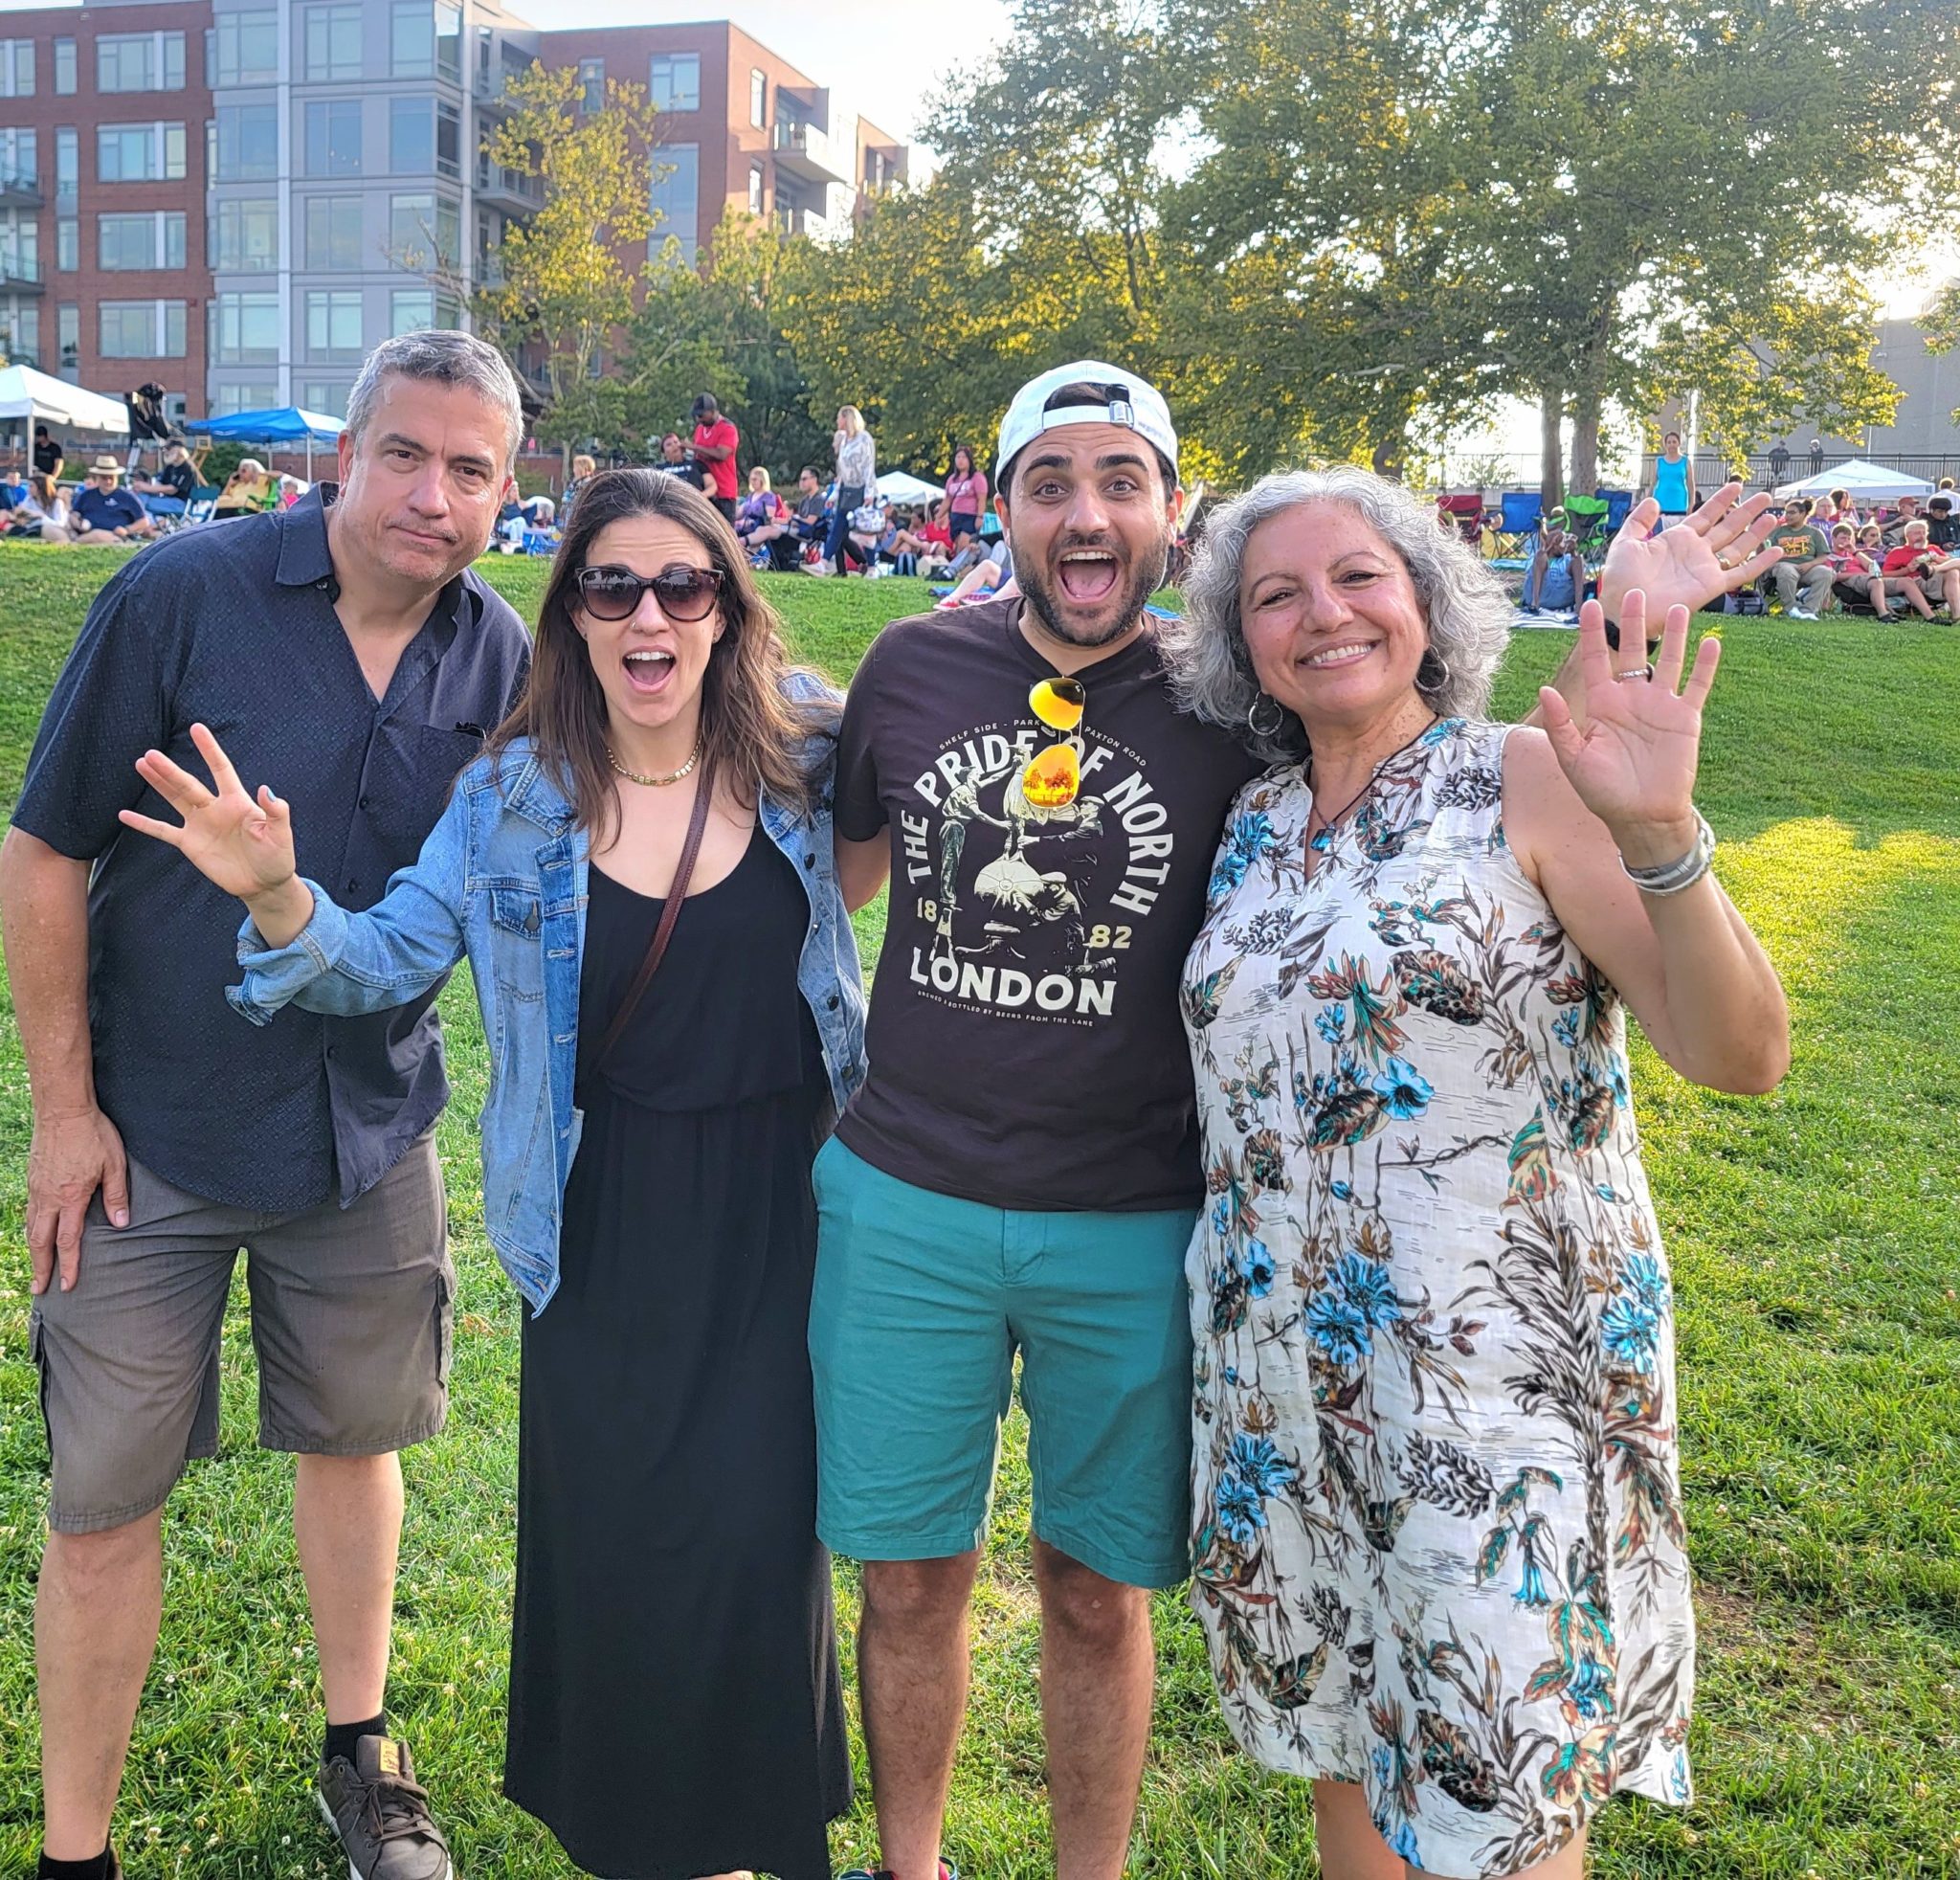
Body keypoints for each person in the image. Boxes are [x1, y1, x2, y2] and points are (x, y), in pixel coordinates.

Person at [121, 466, 865, 1880]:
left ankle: (768, 1835)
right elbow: (392, 958)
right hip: (594, 1212)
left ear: (724, 607)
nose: (648, 611)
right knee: (621, 1541)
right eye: (611, 586)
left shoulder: (810, 757)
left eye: (681, 585)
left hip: (787, 1206)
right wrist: (278, 895)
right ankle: (653, 1846)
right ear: (571, 615)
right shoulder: (514, 798)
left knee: (765, 1545)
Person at [1164, 467, 1789, 1878]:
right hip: (1286, 1397)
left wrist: (1661, 839)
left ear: (1427, 602)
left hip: (1495, 1406)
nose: (1323, 613)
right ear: (1240, 641)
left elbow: (1739, 1051)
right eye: (1277, 594)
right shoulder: (1255, 828)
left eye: (1358, 577)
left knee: (1498, 1808)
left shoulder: (1522, 775)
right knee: (1356, 1761)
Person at [0, 328, 534, 1880]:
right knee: (102, 1497)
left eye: (471, 469)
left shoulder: (494, 655)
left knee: (355, 1442)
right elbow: (44, 850)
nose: (432, 495)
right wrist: (63, 1108)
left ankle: (361, 1751)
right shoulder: (182, 596)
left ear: (506, 491)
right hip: (146, 1136)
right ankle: (77, 1850)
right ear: (341, 456)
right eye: (406, 455)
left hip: (367, 1137)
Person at [818, 364, 1266, 1880]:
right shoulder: (909, 668)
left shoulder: (1231, 706)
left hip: (1135, 1215)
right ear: (998, 506)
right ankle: (912, 1866)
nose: (1087, 513)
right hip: (907, 1201)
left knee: (1094, 1588)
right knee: (907, 1579)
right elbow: (846, 876)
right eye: (1051, 481)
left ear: (1169, 512)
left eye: (1121, 480)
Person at [819, 404, 876, 576]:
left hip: (861, 488)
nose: (837, 421)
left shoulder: (864, 438)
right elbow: (841, 472)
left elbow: (868, 466)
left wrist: (869, 492)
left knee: (865, 528)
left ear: (847, 418)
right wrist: (835, 493)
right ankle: (823, 562)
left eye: (840, 417)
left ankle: (872, 566)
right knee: (837, 527)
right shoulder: (844, 441)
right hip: (845, 489)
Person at [1763, 498, 1834, 616]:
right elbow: (1767, 551)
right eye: (1786, 512)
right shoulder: (1778, 532)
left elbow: (1824, 556)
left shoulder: (1814, 533)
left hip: (1808, 568)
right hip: (1784, 565)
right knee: (1786, 570)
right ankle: (1791, 609)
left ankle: (1809, 610)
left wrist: (1810, 564)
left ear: (1803, 514)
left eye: (1792, 513)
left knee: (1826, 573)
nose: (1788, 516)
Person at [67, 458, 158, 546]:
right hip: (84, 532)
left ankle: (72, 544)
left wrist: (127, 530)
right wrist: (76, 523)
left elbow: (143, 521)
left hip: (115, 537)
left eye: (111, 477)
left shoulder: (127, 496)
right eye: (104, 478)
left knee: (97, 535)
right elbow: (75, 513)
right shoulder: (86, 495)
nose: (108, 481)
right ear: (97, 478)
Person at [1882, 520, 1957, 618]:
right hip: (1918, 582)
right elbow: (1885, 574)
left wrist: (1936, 558)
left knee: (1953, 571)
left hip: (1941, 579)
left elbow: (1953, 562)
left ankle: (1957, 616)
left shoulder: (1933, 548)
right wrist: (1907, 570)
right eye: (1917, 533)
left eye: (1924, 532)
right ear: (1907, 536)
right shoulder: (1898, 552)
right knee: (1952, 572)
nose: (1922, 536)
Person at [688, 392, 741, 523]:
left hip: (724, 492)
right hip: (705, 491)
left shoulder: (728, 428)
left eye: (701, 415)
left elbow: (721, 454)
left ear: (713, 412)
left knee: (725, 534)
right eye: (696, 415)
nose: (698, 419)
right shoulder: (700, 429)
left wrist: (695, 447)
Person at [1825, 521, 1894, 618]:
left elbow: (1872, 567)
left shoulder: (1855, 553)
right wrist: (1858, 575)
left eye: (1849, 538)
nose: (1846, 541)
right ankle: (1884, 614)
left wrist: (1855, 552)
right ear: (1833, 538)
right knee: (1876, 582)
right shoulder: (1828, 556)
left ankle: (1918, 613)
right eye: (1843, 538)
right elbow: (1833, 576)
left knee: (1907, 582)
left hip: (1870, 578)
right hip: (1856, 581)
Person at [1519, 525, 1586, 617]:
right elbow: (1533, 572)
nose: (1564, 544)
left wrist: (1573, 551)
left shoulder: (1568, 559)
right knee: (1540, 556)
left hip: (1562, 593)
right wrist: (1549, 547)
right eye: (1560, 540)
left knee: (1578, 559)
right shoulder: (1538, 556)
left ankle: (1578, 610)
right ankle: (1535, 606)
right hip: (1542, 593)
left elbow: (1577, 562)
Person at [5, 471, 71, 542]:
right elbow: (24, 513)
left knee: (45, 529)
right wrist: (19, 518)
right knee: (8, 526)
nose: (28, 489)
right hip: (31, 526)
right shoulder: (29, 499)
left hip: (50, 528)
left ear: (40, 487)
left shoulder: (56, 502)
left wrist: (42, 517)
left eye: (31, 486)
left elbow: (61, 524)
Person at [1647, 429, 1695, 527]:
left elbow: (1691, 485)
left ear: (1678, 444)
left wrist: (1691, 504)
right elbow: (1653, 483)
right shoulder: (1659, 461)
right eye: (1669, 442)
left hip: (1680, 503)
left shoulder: (1685, 461)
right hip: (1661, 502)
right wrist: (1647, 501)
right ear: (1665, 445)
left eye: (1674, 442)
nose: (1671, 444)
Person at [944, 444, 989, 548]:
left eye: (963, 457)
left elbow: (981, 499)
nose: (960, 460)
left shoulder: (977, 477)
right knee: (957, 545)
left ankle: (966, 563)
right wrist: (939, 516)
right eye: (958, 457)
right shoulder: (952, 479)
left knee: (965, 544)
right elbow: (947, 500)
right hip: (955, 515)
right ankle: (961, 563)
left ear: (969, 460)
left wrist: (980, 516)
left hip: (970, 515)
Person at [213, 456, 277, 521]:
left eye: (243, 471)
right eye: (239, 471)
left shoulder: (261, 480)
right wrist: (229, 484)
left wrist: (260, 472)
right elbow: (224, 495)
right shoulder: (239, 484)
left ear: (253, 471)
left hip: (247, 510)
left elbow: (281, 475)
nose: (240, 473)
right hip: (226, 509)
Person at [132, 441, 197, 504]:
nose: (165, 452)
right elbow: (160, 483)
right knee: (140, 497)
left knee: (144, 501)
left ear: (178, 451)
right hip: (167, 499)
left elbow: (172, 490)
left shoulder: (187, 468)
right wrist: (142, 486)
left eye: (168, 449)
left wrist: (147, 488)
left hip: (181, 502)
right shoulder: (170, 467)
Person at [735, 463, 786, 538]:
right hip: (744, 528)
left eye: (755, 479)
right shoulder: (750, 496)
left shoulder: (769, 497)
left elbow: (769, 519)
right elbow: (739, 514)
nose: (752, 482)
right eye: (751, 479)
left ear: (762, 480)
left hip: (758, 530)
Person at [562, 452, 599, 526]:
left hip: (579, 520)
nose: (574, 470)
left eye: (576, 467)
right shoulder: (574, 484)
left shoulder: (588, 484)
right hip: (569, 519)